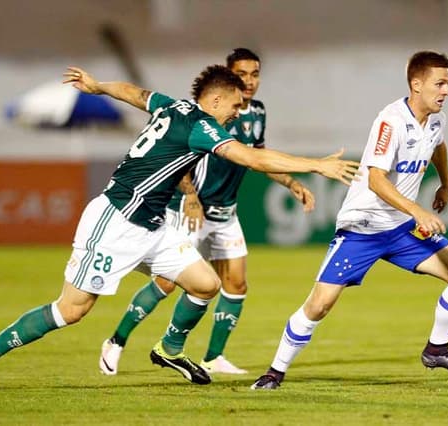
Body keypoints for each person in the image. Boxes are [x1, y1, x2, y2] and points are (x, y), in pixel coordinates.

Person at [0, 64, 360, 391]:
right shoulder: (201, 126)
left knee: (205, 285)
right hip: (116, 221)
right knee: (72, 310)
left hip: (154, 225)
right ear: (216, 98)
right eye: (235, 105)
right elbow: (252, 159)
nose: (238, 112)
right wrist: (316, 164)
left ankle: (169, 348)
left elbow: (134, 93)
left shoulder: (173, 107)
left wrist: (98, 86)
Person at [251, 51, 448, 390]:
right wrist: (417, 211)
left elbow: (438, 146)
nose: (446, 90)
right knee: (320, 304)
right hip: (363, 228)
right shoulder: (390, 121)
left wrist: (445, 183)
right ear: (416, 84)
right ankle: (274, 372)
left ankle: (436, 349)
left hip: (400, 229)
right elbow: (376, 179)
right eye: (440, 83)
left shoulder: (436, 119)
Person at [98, 48, 315, 377]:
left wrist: (290, 183)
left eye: (255, 74)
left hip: (226, 213)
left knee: (236, 285)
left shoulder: (256, 112)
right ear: (228, 77)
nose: (250, 81)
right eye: (242, 74)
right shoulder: (202, 115)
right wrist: (191, 196)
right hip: (193, 209)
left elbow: (259, 156)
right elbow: (179, 154)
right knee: (168, 283)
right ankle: (117, 340)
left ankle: (213, 356)